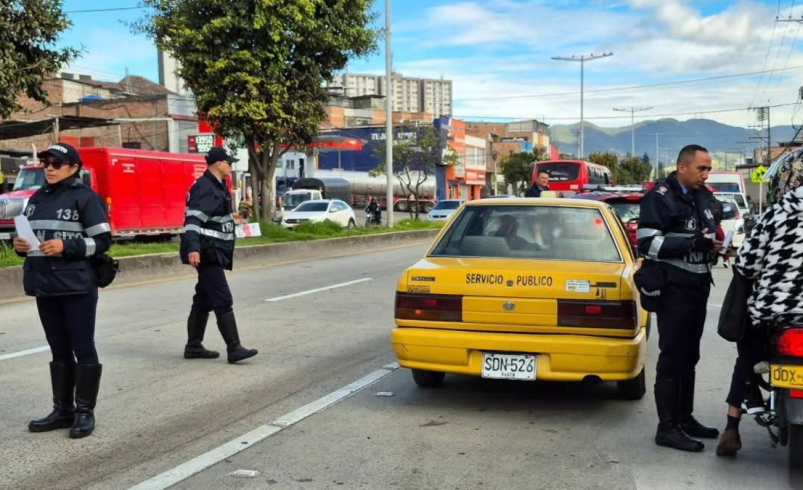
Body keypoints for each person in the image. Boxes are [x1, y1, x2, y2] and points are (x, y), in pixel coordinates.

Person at [12, 143, 111, 439]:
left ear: (73, 168)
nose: (50, 168)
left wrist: (67, 246)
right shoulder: (36, 198)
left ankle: (84, 412)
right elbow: (32, 237)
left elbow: (103, 242)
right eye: (46, 163)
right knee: (58, 350)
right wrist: (20, 247)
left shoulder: (86, 198)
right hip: (44, 284)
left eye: (57, 163)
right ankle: (63, 409)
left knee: (83, 348)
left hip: (76, 286)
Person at [637, 144, 723, 452]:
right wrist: (691, 244)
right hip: (673, 289)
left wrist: (712, 246)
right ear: (682, 167)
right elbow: (647, 243)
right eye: (701, 168)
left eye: (708, 168)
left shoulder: (702, 196)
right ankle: (667, 428)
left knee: (690, 356)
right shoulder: (660, 197)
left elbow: (711, 232)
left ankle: (685, 418)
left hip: (698, 285)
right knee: (672, 357)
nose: (706, 174)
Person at [716, 155, 803, 457]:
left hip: (771, 314)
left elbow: (747, 263)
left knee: (746, 361)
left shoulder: (776, 215)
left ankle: (731, 428)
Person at [181, 147, 258, 364]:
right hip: (207, 251)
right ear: (219, 164)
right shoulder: (206, 187)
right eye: (228, 163)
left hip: (213, 249)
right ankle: (234, 348)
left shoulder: (217, 185)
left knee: (204, 299)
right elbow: (193, 220)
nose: (230, 166)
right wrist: (193, 248)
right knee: (222, 298)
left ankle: (193, 345)